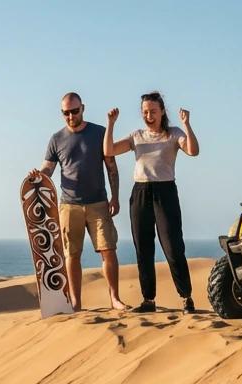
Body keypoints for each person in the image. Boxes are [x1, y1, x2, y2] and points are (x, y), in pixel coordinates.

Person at [103, 92, 200, 313]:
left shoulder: (173, 134)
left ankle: (186, 297)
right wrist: (110, 124)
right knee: (143, 249)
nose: (149, 115)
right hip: (140, 192)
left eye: (153, 111)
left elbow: (193, 151)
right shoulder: (136, 135)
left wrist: (187, 124)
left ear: (162, 111)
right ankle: (149, 300)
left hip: (165, 192)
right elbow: (109, 151)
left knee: (173, 247)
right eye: (145, 112)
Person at [32, 92, 127, 311]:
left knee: (108, 249)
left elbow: (111, 167)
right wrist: (38, 175)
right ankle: (76, 302)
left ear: (82, 108)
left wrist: (115, 197)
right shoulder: (56, 139)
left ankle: (114, 298)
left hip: (98, 203)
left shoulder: (99, 133)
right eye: (66, 113)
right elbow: (48, 168)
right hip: (69, 205)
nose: (71, 116)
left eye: (74, 111)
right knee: (71, 255)